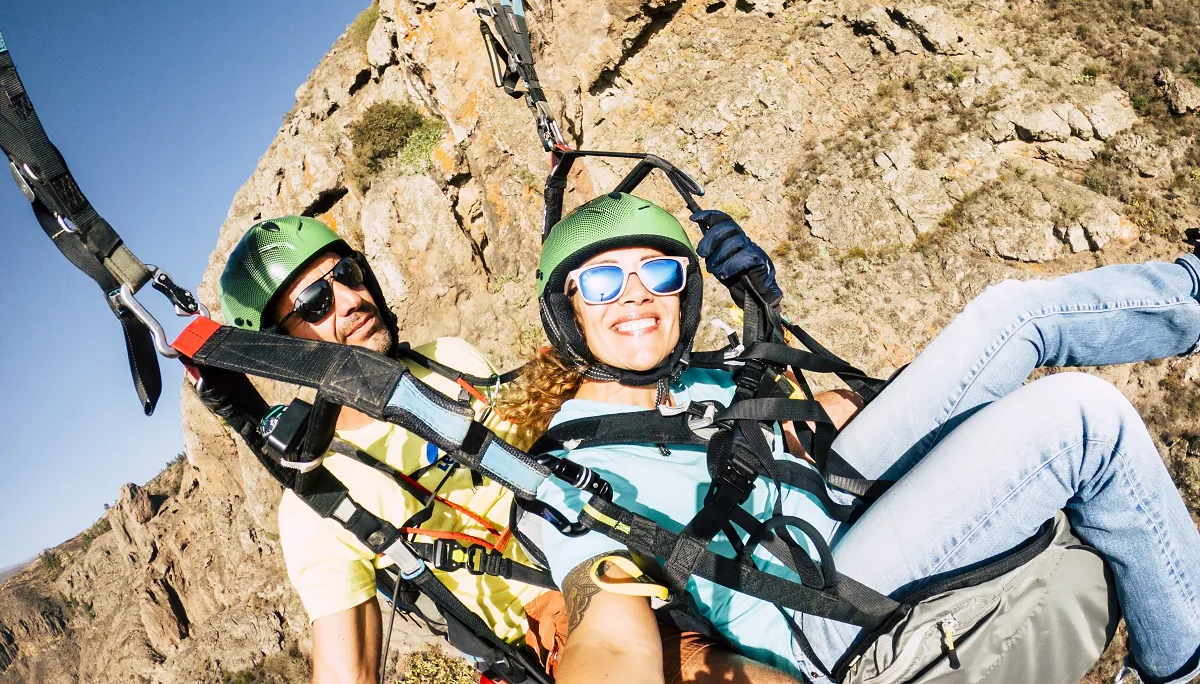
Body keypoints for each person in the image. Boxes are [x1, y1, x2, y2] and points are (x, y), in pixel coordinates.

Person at [502, 191, 1200, 684]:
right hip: (821, 607)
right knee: (1081, 418)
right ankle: (1181, 665)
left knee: (1010, 315)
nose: (635, 295)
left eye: (659, 272)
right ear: (567, 313)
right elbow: (610, 640)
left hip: (838, 496)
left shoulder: (703, 384)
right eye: (601, 281)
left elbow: (817, 419)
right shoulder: (563, 475)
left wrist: (765, 310)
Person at [207, 215, 775, 684]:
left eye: (348, 274)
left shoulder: (449, 358)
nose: (350, 299)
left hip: (624, 519)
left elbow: (542, 415)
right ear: (281, 347)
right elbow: (344, 668)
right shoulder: (320, 491)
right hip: (558, 611)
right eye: (314, 302)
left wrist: (753, 316)